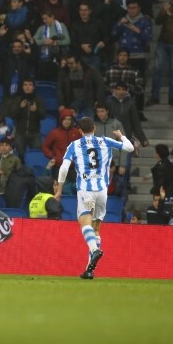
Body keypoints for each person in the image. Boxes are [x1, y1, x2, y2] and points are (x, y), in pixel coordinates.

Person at [53, 117, 134, 279]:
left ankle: (94, 250)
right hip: (102, 192)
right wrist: (121, 136)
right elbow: (130, 148)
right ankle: (89, 270)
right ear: (95, 129)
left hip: (85, 190)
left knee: (84, 222)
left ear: (80, 131)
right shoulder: (106, 141)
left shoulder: (75, 145)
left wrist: (59, 188)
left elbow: (63, 168)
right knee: (96, 229)